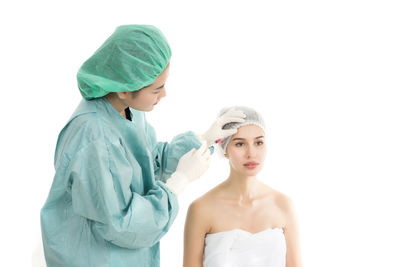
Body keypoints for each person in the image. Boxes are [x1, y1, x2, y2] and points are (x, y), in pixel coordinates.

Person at [40, 25, 246, 267]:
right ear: (125, 88)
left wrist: (204, 139)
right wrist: (179, 181)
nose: (165, 94)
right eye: (157, 89)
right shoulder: (92, 137)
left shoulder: (126, 109)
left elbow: (145, 160)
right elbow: (121, 224)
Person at [183, 107, 302, 267]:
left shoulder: (283, 205)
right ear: (224, 149)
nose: (251, 153)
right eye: (240, 144)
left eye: (258, 142)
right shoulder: (201, 209)